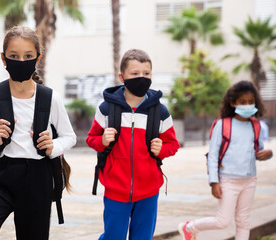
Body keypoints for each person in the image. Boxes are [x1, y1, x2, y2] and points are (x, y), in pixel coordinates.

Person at [0, 26, 76, 240]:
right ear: (3, 58)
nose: (21, 61)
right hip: (1, 174)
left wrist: (53, 146)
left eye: (28, 56)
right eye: (14, 56)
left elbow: (69, 137)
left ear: (38, 59)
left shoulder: (50, 98)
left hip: (37, 178)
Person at [86, 49, 180, 239]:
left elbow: (173, 144)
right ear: (122, 77)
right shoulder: (106, 109)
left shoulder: (160, 112)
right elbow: (91, 139)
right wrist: (103, 141)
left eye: (146, 73)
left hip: (148, 191)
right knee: (114, 236)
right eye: (135, 74)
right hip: (115, 189)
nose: (141, 78)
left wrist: (162, 149)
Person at [178, 80, 273, 240]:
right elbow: (213, 155)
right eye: (242, 102)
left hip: (249, 180)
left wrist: (268, 154)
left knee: (243, 221)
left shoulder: (255, 125)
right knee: (222, 221)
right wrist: (214, 182)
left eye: (251, 102)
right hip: (228, 180)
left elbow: (259, 151)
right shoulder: (222, 124)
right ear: (232, 102)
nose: (247, 105)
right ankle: (189, 227)